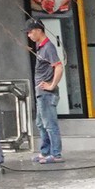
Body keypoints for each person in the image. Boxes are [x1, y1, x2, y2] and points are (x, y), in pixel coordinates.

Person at [26, 19, 63, 164]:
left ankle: (56, 154)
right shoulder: (40, 46)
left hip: (47, 93)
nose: (29, 35)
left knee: (50, 124)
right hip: (40, 92)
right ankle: (45, 152)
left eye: (30, 32)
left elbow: (59, 67)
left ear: (38, 30)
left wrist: (52, 85)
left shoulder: (48, 47)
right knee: (41, 124)